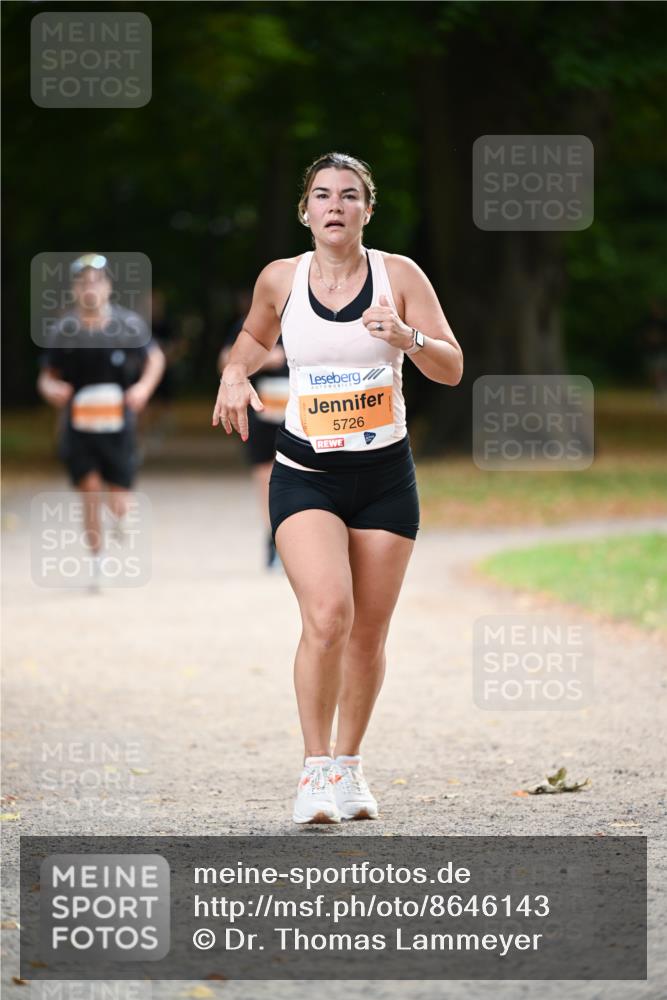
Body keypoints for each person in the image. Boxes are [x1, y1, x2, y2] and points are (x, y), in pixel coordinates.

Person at [212, 153, 463, 824]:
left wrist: (406, 337)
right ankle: (313, 768)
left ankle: (348, 767)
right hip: (305, 474)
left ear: (366, 211)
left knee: (367, 633)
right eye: (322, 195)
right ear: (305, 211)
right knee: (327, 616)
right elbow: (250, 340)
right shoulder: (280, 279)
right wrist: (235, 373)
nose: (334, 205)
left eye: (348, 196)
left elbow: (451, 366)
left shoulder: (399, 276)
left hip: (384, 478)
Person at [37, 253, 166, 589]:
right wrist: (53, 389)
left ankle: (120, 515)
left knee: (119, 500)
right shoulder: (64, 330)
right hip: (78, 427)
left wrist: (143, 388)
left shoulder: (128, 326)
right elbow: (46, 377)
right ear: (74, 290)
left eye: (96, 281)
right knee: (90, 490)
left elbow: (155, 359)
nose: (90, 288)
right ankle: (98, 560)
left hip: (118, 426)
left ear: (108, 287)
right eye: (83, 283)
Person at [218, 289, 289, 570]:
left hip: (306, 413)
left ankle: (297, 539)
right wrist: (265, 359)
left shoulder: (314, 317)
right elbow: (224, 361)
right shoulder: (252, 322)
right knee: (265, 474)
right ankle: (272, 535)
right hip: (263, 410)